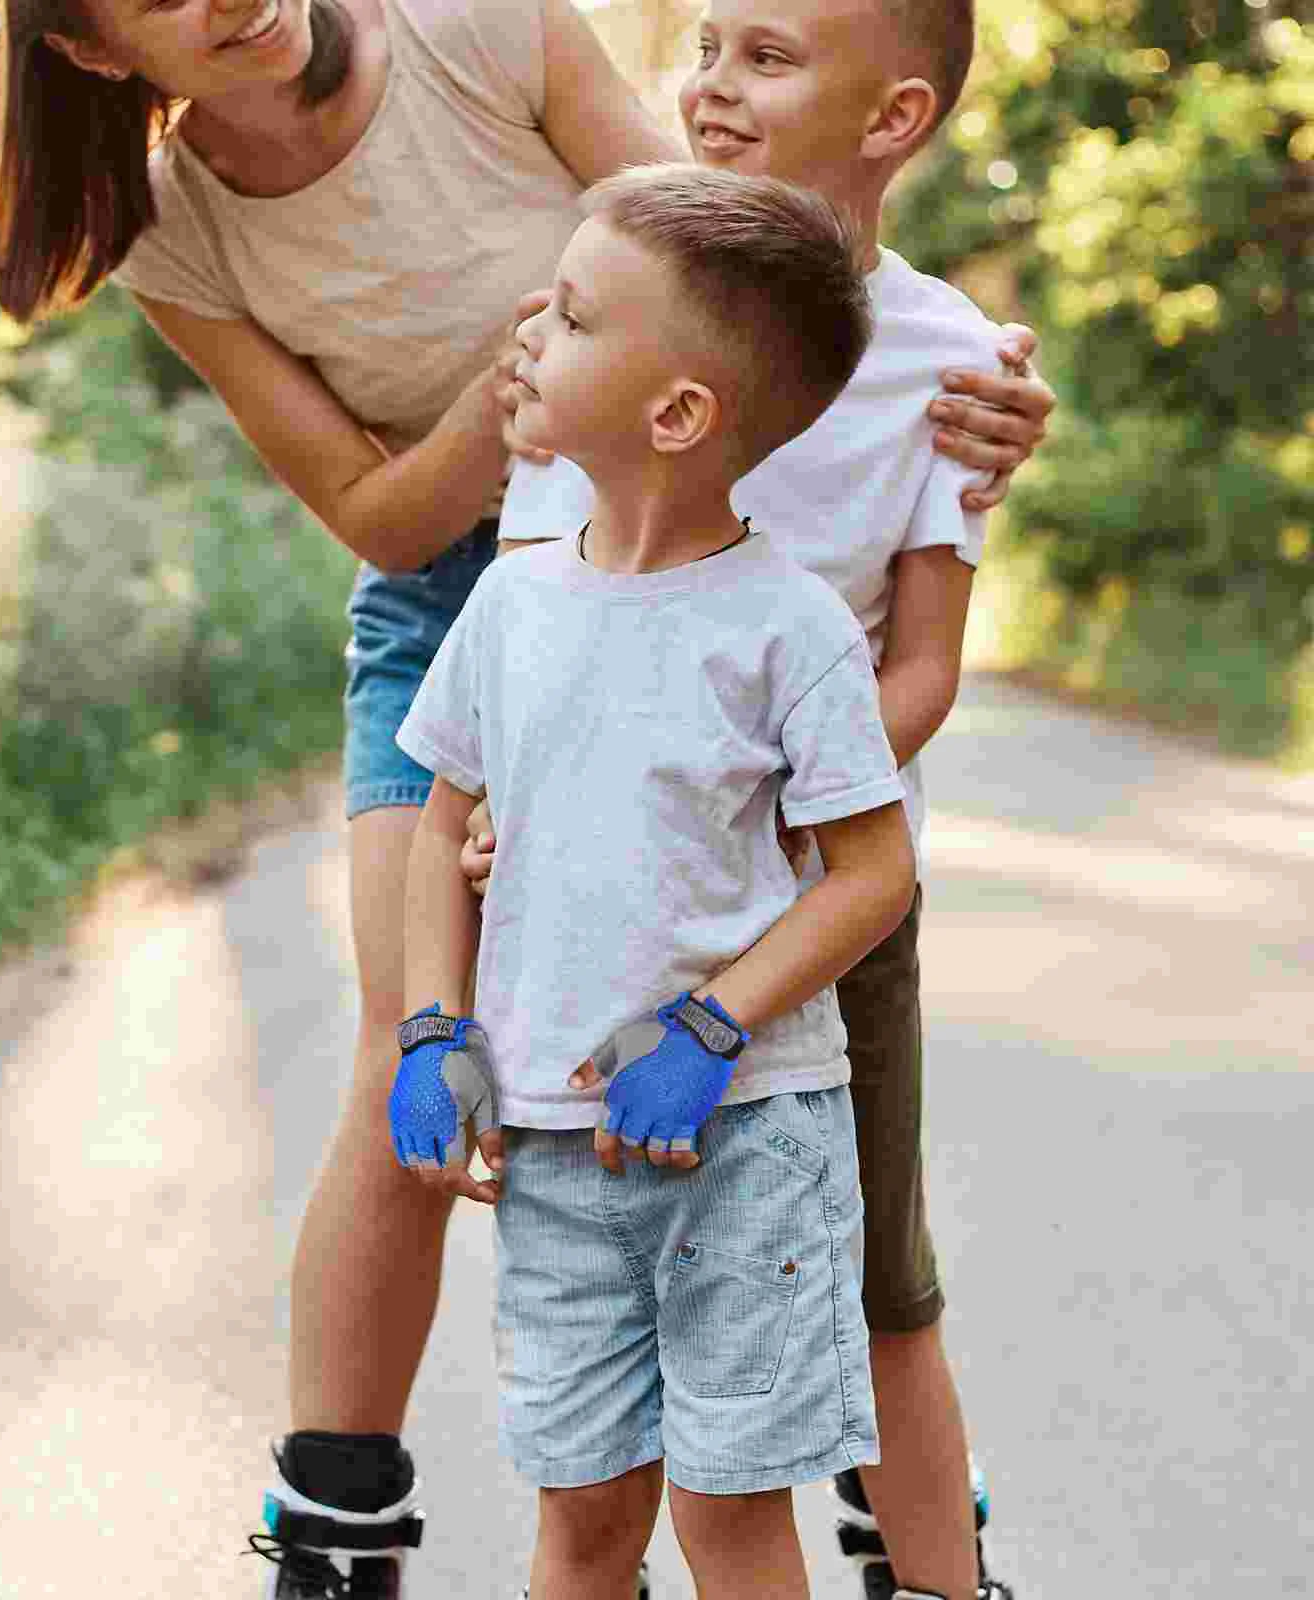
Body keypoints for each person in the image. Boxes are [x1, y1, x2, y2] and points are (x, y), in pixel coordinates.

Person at [0, 0, 1052, 1592]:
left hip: (696, 570)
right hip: (487, 581)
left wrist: (949, 386)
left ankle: (896, 1512)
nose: (230, 0)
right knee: (422, 1046)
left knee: (828, 1171)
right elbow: (389, 516)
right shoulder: (178, 234)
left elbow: (736, 286)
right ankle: (345, 1525)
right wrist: (542, 394)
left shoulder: (480, 31)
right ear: (94, 52)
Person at [470, 1, 1039, 1596]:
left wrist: (780, 813)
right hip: (602, 919)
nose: (712, 85)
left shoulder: (951, 358)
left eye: (768, 57)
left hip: (822, 914)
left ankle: (943, 1583)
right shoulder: (620, 298)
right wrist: (528, 806)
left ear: (894, 114)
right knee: (600, 1310)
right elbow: (536, 608)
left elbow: (923, 664)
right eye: (709, 45)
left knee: (879, 1292)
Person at [390, 163, 913, 1600]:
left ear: (677, 413)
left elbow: (872, 873)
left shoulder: (788, 627)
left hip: (747, 1141)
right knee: (581, 1526)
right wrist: (434, 1031)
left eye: (567, 317)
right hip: (556, 1150)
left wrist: (710, 1028)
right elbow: (441, 831)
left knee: (729, 1522)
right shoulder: (511, 604)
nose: (526, 337)